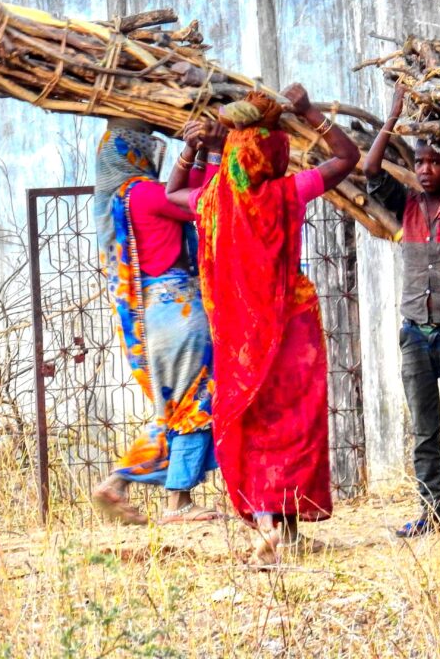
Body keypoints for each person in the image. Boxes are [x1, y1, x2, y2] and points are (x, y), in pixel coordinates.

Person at [167, 85, 360, 564]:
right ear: (273, 152)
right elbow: (347, 156)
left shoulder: (210, 202)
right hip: (292, 328)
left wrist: (194, 149)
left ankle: (267, 525)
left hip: (237, 341)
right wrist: (310, 111)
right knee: (294, 423)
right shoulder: (287, 192)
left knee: (251, 425)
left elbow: (173, 192)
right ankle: (289, 529)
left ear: (232, 153)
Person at [363, 85, 440, 537]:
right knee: (424, 429)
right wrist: (392, 116)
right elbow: (372, 169)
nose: (425, 169)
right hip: (414, 331)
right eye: (419, 162)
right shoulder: (407, 205)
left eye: (434, 161)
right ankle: (430, 510)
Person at [92, 116, 228, 525]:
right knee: (196, 403)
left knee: (173, 408)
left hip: (153, 315)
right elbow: (206, 202)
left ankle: (118, 482)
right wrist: (216, 152)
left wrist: (197, 153)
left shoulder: (119, 200)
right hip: (179, 311)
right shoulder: (144, 194)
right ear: (132, 154)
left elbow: (186, 192)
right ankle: (177, 503)